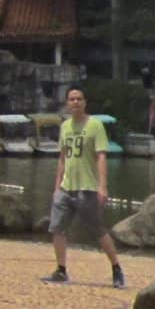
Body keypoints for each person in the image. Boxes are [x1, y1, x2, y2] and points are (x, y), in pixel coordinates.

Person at [44, 87, 125, 287]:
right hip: (66, 187)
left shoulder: (94, 126)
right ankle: (61, 270)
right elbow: (62, 158)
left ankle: (116, 267)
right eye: (71, 99)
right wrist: (57, 186)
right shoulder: (65, 127)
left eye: (79, 99)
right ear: (67, 103)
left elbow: (101, 156)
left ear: (85, 102)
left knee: (97, 229)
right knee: (57, 228)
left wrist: (102, 186)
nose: (75, 103)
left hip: (86, 188)